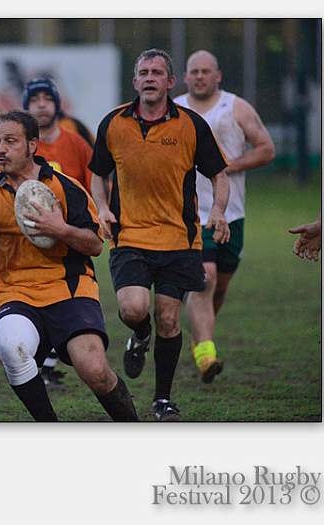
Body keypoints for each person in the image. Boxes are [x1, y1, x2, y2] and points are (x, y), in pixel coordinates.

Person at [0, 111, 139, 422]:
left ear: (32, 145)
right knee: (11, 348)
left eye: (10, 141)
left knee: (95, 370)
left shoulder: (64, 188)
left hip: (69, 289)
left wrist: (61, 229)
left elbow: (95, 244)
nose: (1, 149)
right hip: (14, 292)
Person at [89, 49, 230, 421]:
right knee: (133, 309)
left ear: (170, 82)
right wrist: (102, 207)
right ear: (135, 81)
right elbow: (97, 174)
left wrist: (218, 210)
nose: (149, 78)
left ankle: (162, 400)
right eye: (144, 73)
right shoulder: (113, 123)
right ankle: (140, 334)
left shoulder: (191, 125)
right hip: (130, 236)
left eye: (157, 72)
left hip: (179, 240)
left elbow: (219, 175)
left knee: (169, 319)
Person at [0, 77, 95, 387]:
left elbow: (94, 177)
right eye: (34, 100)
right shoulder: (5, 150)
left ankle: (51, 356)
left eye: (48, 98)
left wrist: (100, 209)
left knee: (88, 358)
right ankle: (44, 360)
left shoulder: (75, 139)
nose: (42, 105)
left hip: (65, 242)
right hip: (17, 258)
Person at [174, 50, 276, 382]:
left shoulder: (236, 107)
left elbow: (266, 149)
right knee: (206, 277)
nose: (200, 76)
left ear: (217, 75)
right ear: (185, 77)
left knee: (219, 286)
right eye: (194, 71)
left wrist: (228, 165)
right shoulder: (174, 110)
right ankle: (206, 355)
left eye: (206, 71)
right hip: (191, 215)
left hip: (232, 212)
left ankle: (201, 336)